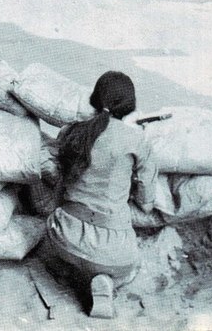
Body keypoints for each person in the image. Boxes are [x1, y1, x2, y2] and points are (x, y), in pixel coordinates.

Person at [45, 71, 156, 318]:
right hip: (114, 252)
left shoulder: (71, 131)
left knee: (75, 252)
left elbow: (58, 175)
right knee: (131, 267)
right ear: (130, 106)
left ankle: (77, 271)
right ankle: (107, 282)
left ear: (95, 100)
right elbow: (147, 204)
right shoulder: (138, 140)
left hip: (64, 236)